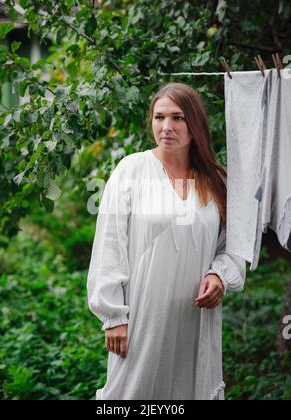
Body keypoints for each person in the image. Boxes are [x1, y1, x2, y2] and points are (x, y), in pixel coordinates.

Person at [87, 82, 246, 400]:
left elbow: (232, 245)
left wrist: (219, 275)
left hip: (194, 319)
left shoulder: (217, 180)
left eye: (178, 118)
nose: (166, 127)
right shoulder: (132, 170)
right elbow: (109, 245)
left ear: (195, 123)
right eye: (159, 117)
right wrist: (114, 316)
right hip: (142, 317)